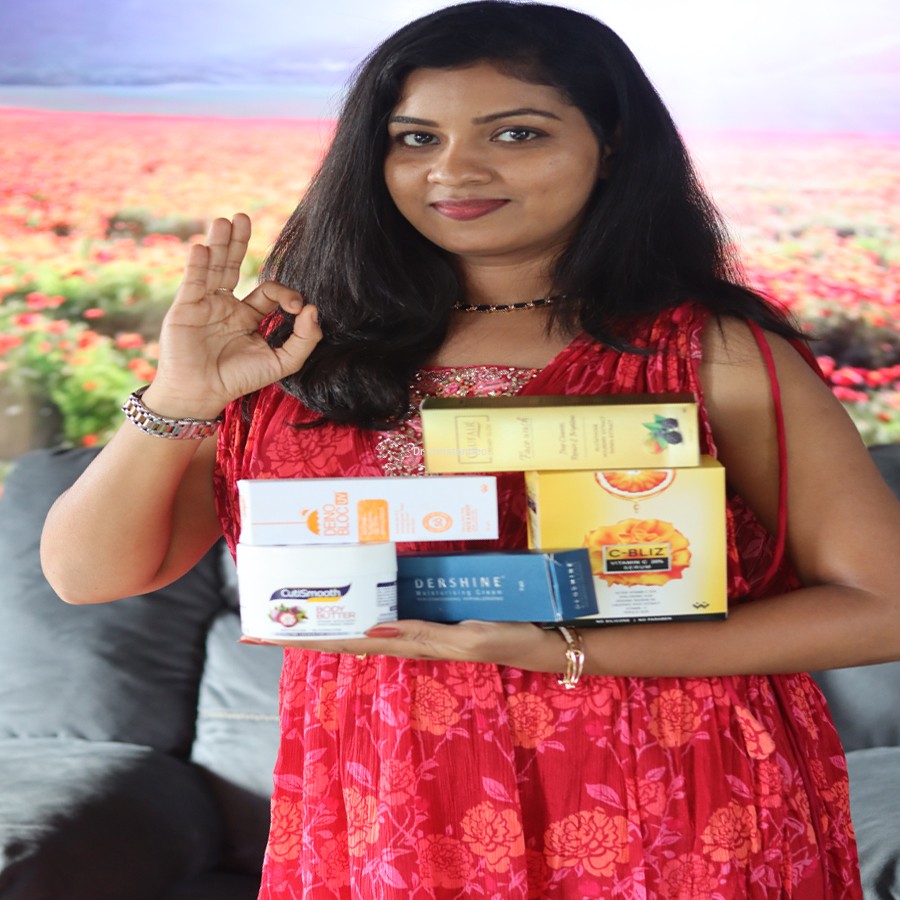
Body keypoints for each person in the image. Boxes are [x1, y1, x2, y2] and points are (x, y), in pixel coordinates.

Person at [40, 2, 900, 897]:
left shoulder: (708, 351)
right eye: (415, 138)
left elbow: (884, 607)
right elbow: (87, 575)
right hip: (387, 814)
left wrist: (567, 651)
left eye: (516, 132)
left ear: (611, 144)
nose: (454, 170)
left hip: (675, 803)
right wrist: (180, 399)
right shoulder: (294, 353)